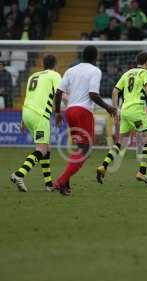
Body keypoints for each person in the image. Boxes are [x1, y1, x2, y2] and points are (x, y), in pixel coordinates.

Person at [53, 46, 117, 196]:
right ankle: (61, 180)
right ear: (95, 57)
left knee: (79, 148)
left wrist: (57, 112)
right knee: (85, 150)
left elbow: (58, 92)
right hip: (83, 112)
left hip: (70, 111)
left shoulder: (71, 70)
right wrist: (108, 107)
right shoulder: (95, 71)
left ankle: (65, 183)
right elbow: (93, 94)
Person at [96, 52, 147, 185]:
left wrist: (116, 110)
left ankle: (103, 166)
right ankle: (142, 172)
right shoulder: (145, 72)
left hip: (124, 110)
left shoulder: (127, 73)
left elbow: (114, 92)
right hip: (137, 109)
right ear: (146, 62)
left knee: (120, 142)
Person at [10, 55, 61, 192]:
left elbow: (29, 97)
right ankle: (19, 174)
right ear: (55, 64)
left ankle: (49, 184)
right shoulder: (54, 75)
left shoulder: (33, 76)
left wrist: (23, 121)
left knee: (46, 148)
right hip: (40, 116)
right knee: (41, 149)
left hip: (27, 113)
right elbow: (60, 94)